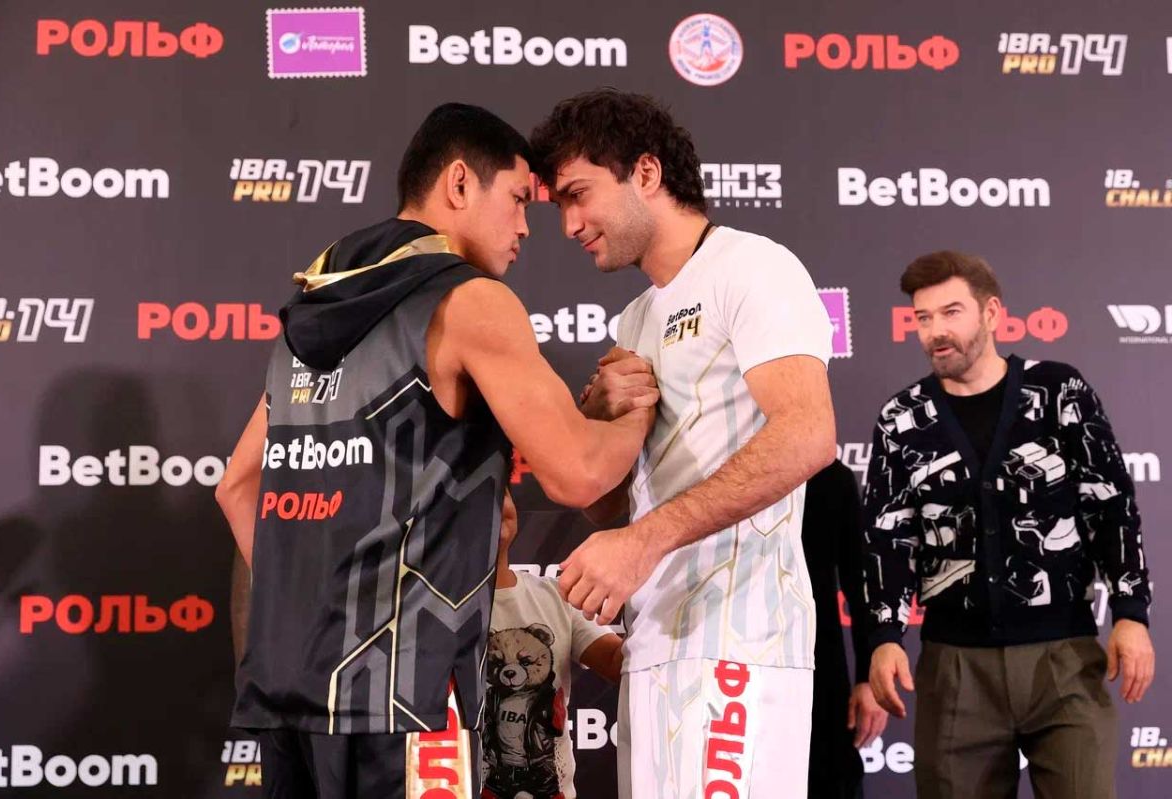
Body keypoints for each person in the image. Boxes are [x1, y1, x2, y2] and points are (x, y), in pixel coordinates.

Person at [214, 102, 656, 799]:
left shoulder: (312, 309)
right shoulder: (469, 300)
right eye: (518, 200)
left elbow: (237, 486)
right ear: (458, 183)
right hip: (405, 700)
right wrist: (631, 412)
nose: (525, 228)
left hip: (289, 693)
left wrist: (311, 612)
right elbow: (577, 474)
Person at [529, 89, 837, 799]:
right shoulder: (636, 318)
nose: (570, 225)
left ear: (645, 172)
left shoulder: (753, 266)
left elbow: (810, 434)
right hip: (655, 640)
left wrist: (643, 542)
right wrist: (601, 418)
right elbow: (607, 508)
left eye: (578, 195)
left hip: (740, 639)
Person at [862, 250, 1155, 799]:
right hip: (955, 667)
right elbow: (888, 535)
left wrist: (1131, 613)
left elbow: (1111, 506)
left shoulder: (1060, 392)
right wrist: (884, 636)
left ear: (992, 312)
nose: (935, 331)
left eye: (951, 312)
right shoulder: (901, 418)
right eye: (923, 318)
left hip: (1065, 658)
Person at [482, 490, 623, 799]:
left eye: (500, 490)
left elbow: (619, 664)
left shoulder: (555, 596)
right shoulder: (430, 610)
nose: (494, 503)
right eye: (478, 493)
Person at [801, 460, 886, 799]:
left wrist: (868, 678)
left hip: (821, 665)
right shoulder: (731, 476)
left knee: (831, 778)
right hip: (742, 665)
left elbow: (860, 583)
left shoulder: (830, 477)